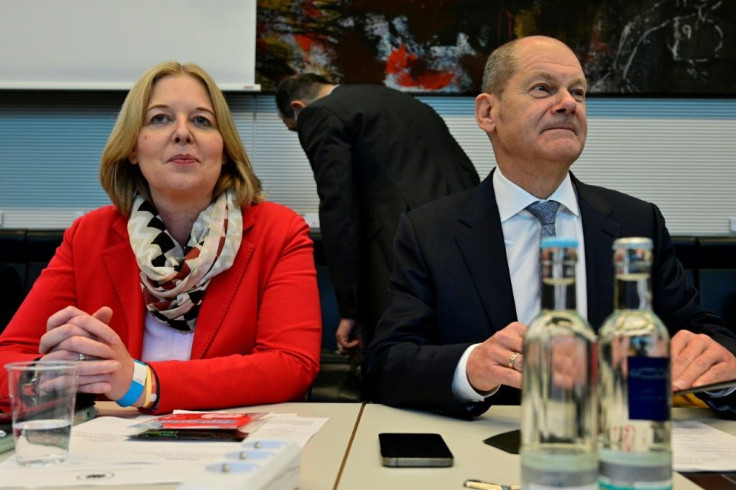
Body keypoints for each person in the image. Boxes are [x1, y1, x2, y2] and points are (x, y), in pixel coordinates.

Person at [364, 36, 736, 419]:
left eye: (578, 92)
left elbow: (701, 331)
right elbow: (388, 362)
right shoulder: (431, 231)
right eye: (543, 89)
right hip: (488, 448)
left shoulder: (635, 222)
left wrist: (722, 368)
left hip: (616, 443)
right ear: (488, 113)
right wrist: (471, 367)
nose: (568, 103)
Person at [0, 61, 322, 414]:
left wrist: (141, 383)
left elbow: (292, 365)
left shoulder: (280, 231)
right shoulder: (89, 236)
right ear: (133, 149)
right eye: (160, 119)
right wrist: (47, 377)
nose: (183, 133)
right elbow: (10, 356)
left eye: (202, 120)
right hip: (113, 454)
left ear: (225, 150)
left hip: (238, 449)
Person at [275, 74, 480, 356]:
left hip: (399, 251)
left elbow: (339, 209)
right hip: (465, 235)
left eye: (293, 128)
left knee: (399, 359)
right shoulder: (404, 101)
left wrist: (350, 309)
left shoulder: (319, 112)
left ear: (298, 107)